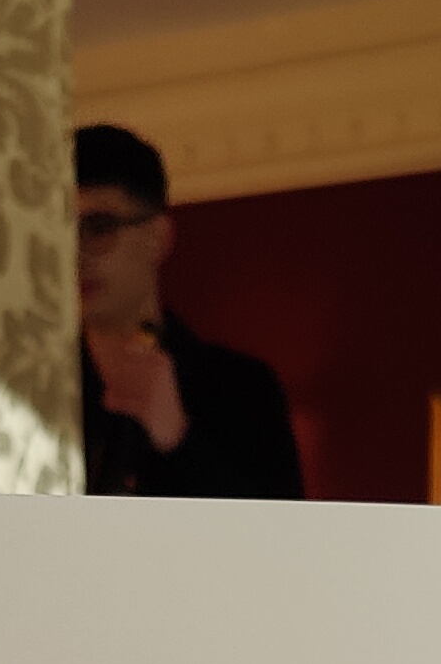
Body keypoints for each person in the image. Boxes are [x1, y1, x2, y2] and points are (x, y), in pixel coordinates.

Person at [76, 124, 303, 501]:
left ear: (157, 238)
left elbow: (282, 532)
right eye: (60, 228)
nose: (75, 253)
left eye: (98, 228)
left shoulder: (243, 390)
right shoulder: (23, 389)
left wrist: (176, 437)